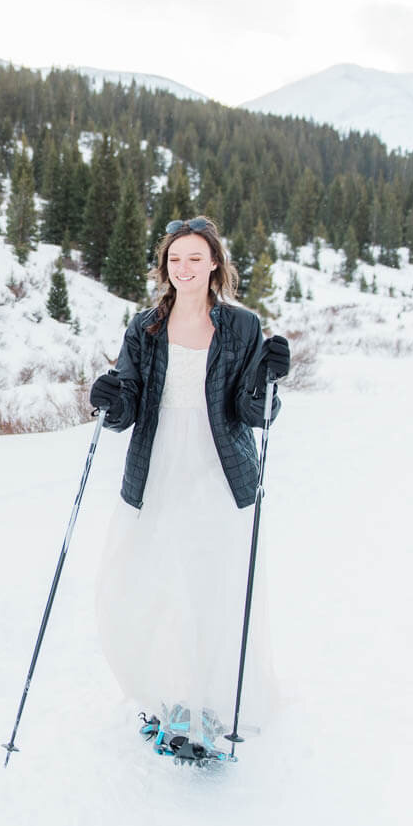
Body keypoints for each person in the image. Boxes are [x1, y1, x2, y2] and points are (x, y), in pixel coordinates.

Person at [87, 215, 290, 757]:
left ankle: (207, 709)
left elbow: (255, 413)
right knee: (154, 582)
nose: (185, 268)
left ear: (215, 264)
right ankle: (170, 698)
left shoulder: (243, 327)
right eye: (176, 259)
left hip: (219, 469)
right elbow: (125, 409)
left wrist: (271, 377)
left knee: (209, 585)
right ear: (165, 267)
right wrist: (108, 396)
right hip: (156, 469)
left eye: (196, 258)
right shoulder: (145, 326)